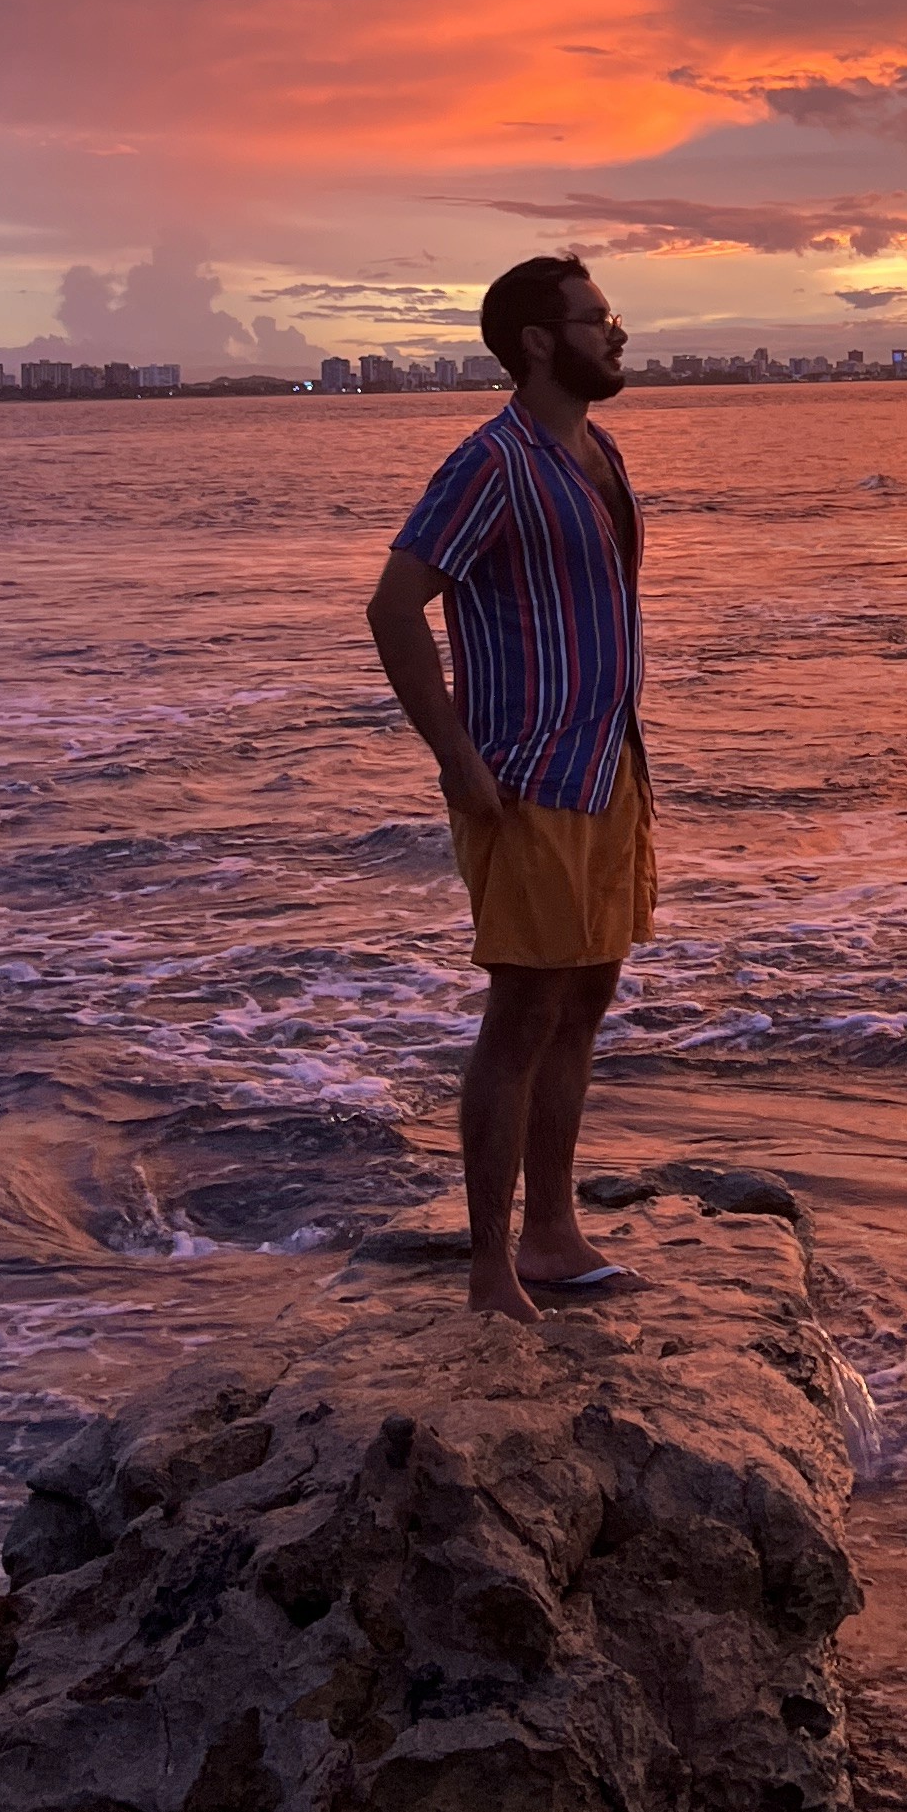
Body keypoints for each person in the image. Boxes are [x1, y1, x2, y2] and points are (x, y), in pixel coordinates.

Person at [366, 252, 652, 1321]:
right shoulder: (490, 464)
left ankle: (552, 1234)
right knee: (523, 1010)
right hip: (525, 776)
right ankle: (491, 1271)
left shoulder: (598, 449)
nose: (618, 333)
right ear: (539, 340)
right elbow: (395, 609)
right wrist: (457, 759)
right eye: (597, 317)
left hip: (606, 765)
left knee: (584, 999)